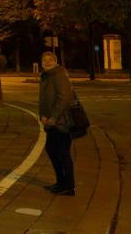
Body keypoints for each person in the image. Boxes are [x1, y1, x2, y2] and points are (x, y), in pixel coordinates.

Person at [39, 51, 76, 196]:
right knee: (52, 150)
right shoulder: (47, 76)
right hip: (51, 121)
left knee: (62, 152)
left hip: (61, 122)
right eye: (44, 60)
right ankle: (61, 182)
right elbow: (44, 99)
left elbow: (64, 98)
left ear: (56, 61)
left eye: (50, 60)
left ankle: (68, 186)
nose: (47, 62)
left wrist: (53, 117)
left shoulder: (59, 74)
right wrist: (42, 115)